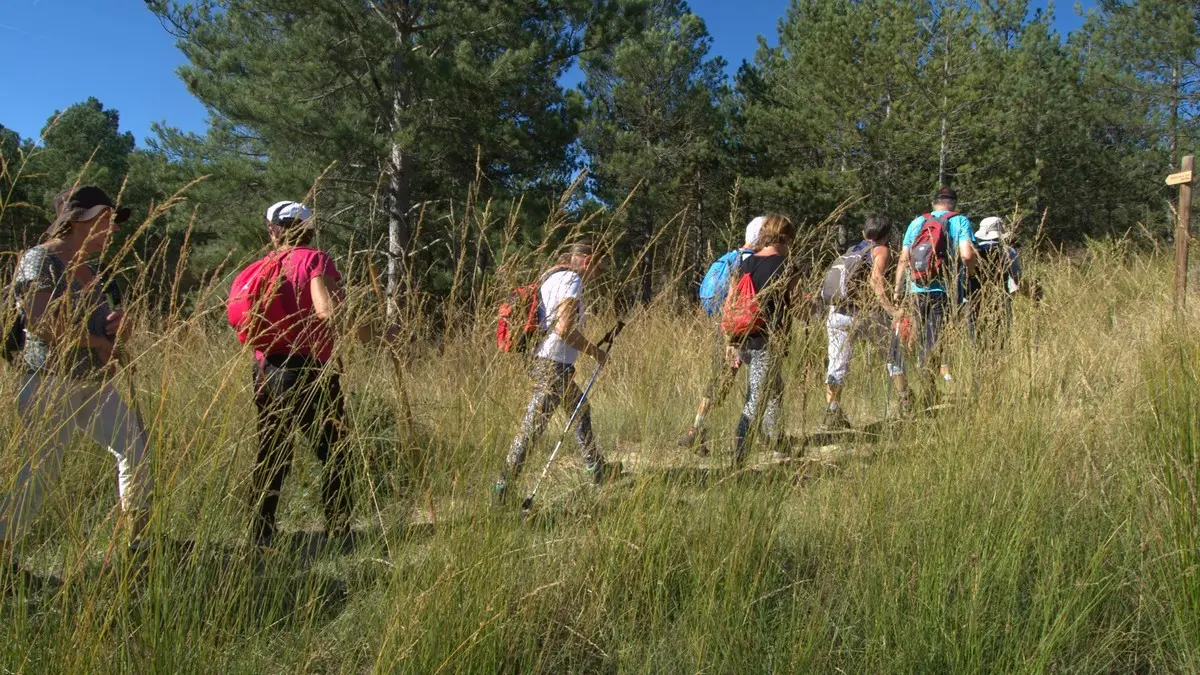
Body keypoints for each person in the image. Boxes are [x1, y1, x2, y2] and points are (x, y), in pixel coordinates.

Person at [1, 186, 152, 579]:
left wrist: (118, 325)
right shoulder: (40, 259)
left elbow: (100, 322)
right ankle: (3, 560)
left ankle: (140, 546)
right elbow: (40, 321)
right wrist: (97, 340)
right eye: (108, 221)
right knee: (40, 472)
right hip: (49, 383)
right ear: (82, 220)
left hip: (94, 383)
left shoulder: (95, 269)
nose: (114, 230)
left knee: (136, 449)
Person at [244, 200, 392, 549]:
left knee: (272, 451)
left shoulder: (261, 267)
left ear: (272, 230)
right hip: (308, 372)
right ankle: (339, 532)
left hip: (265, 370)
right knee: (335, 451)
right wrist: (380, 335)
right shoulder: (314, 259)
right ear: (309, 229)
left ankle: (261, 534)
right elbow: (329, 310)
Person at [493, 241, 617, 503]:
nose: (601, 272)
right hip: (552, 363)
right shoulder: (572, 280)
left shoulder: (551, 276)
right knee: (533, 426)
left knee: (579, 409)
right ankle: (502, 486)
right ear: (586, 260)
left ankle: (596, 466)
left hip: (544, 360)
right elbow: (564, 330)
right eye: (600, 264)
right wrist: (596, 352)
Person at [677, 216, 764, 451]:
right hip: (742, 332)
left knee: (718, 382)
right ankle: (765, 437)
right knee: (762, 385)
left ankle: (697, 429)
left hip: (723, 327)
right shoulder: (753, 261)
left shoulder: (729, 257)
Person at [890, 187, 976, 411]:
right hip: (943, 290)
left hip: (916, 289)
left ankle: (925, 386)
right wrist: (972, 276)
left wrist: (898, 291)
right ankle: (928, 390)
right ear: (954, 203)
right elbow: (966, 254)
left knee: (919, 339)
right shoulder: (959, 221)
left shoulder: (917, 222)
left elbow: (903, 259)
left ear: (934, 202)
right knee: (934, 340)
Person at [724, 214, 798, 466]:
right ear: (786, 238)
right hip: (767, 340)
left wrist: (730, 340)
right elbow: (796, 303)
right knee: (755, 398)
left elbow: (731, 302)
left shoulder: (744, 263)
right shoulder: (785, 265)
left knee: (774, 388)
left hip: (743, 337)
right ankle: (739, 454)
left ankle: (774, 438)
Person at [821, 214, 901, 430]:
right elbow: (876, 281)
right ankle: (906, 402)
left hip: (837, 312)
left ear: (863, 233)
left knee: (837, 364)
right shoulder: (880, 250)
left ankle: (832, 413)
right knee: (892, 354)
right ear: (886, 236)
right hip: (863, 314)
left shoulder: (852, 250)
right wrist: (892, 310)